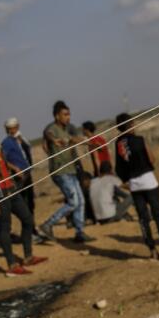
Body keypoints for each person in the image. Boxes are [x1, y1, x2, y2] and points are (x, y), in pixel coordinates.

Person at [0, 113, 45, 275]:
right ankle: (11, 264)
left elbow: (2, 161)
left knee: (27, 219)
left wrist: (13, 168)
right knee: (5, 228)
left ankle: (28, 256)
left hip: (11, 187)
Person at [114, 112, 159, 259]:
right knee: (158, 214)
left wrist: (126, 179)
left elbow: (119, 168)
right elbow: (152, 159)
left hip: (134, 184)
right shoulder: (139, 140)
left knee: (143, 218)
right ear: (131, 125)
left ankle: (152, 250)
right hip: (148, 180)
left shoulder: (118, 144)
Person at [38, 101, 90, 243]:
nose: (68, 117)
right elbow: (47, 134)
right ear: (57, 116)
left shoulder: (69, 129)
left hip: (71, 169)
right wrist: (54, 141)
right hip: (60, 171)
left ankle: (80, 232)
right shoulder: (52, 128)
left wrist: (89, 141)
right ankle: (47, 225)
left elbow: (74, 138)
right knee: (73, 202)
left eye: (69, 114)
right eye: (65, 114)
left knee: (81, 201)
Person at [1, 117, 35, 215]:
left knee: (31, 201)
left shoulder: (20, 139)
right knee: (25, 201)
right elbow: (3, 160)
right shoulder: (6, 142)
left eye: (15, 127)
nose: (13, 130)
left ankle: (32, 226)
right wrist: (15, 169)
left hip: (27, 172)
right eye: (10, 128)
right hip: (19, 175)